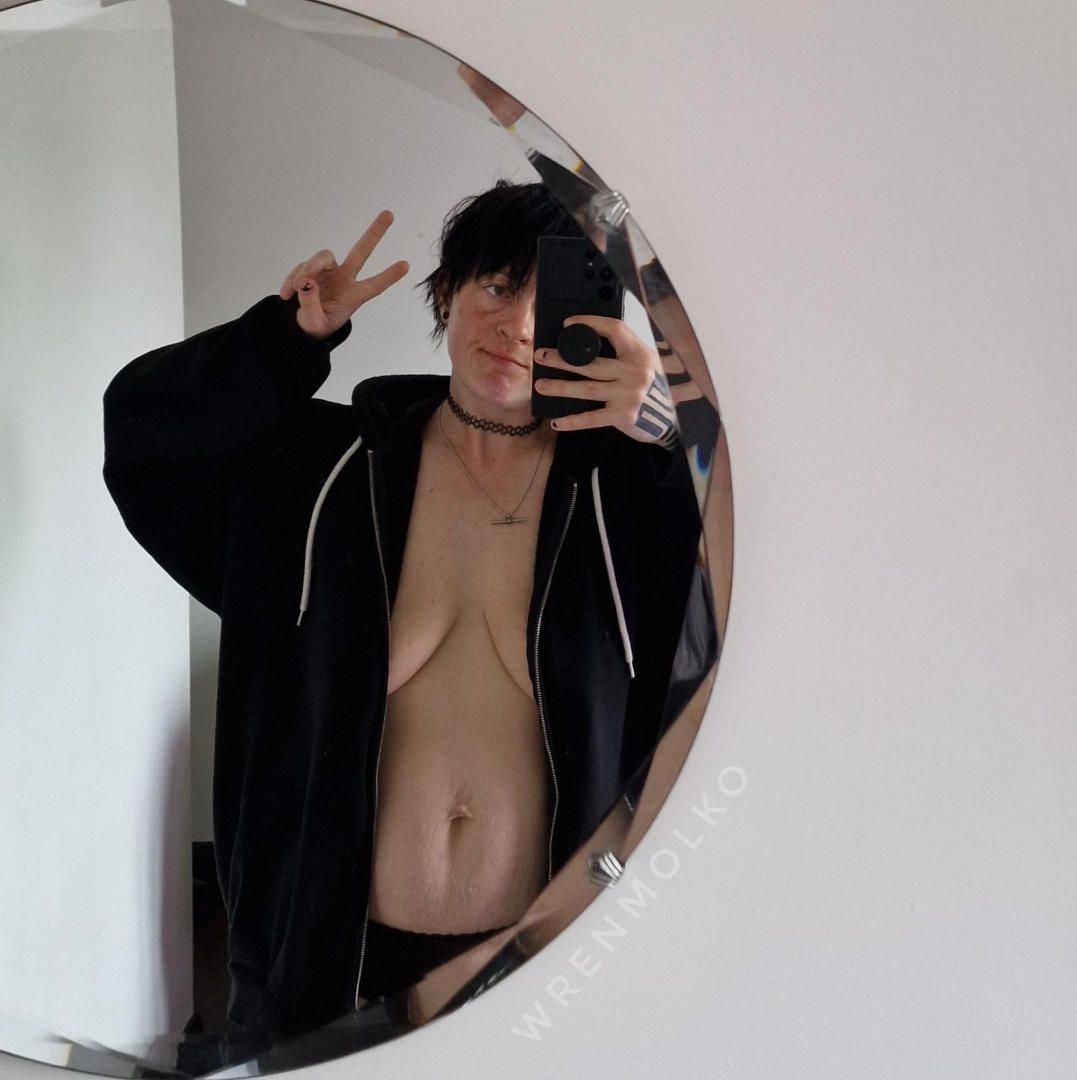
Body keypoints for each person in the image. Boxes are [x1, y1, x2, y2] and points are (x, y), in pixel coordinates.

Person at [103, 182, 712, 1044]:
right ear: (445, 294)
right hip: (324, 973)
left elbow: (773, 589)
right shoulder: (322, 472)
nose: (517, 325)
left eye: (548, 300)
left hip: (549, 978)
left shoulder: (628, 497)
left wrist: (677, 432)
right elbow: (140, 438)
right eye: (496, 286)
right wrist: (283, 343)